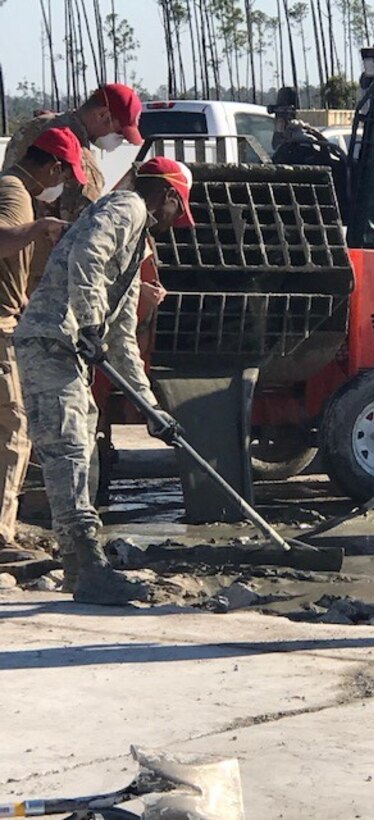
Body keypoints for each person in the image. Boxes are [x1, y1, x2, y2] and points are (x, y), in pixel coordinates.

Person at [13, 157, 195, 605]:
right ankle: (91, 566)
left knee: (73, 452)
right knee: (70, 449)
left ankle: (79, 567)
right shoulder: (127, 207)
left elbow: (122, 337)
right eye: (180, 210)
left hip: (64, 347)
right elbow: (87, 253)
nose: (177, 222)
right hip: (51, 339)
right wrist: (89, 324)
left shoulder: (136, 247)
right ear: (169, 196)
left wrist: (151, 409)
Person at [0, 127, 85, 563]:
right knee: (13, 431)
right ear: (52, 167)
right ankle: (1, 538)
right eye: (64, 176)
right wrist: (39, 226)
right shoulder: (15, 192)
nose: (61, 187)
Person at [2, 83, 144, 295]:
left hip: (9, 271)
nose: (119, 141)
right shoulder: (79, 158)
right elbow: (84, 232)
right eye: (119, 133)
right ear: (102, 115)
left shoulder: (31, 128)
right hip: (44, 280)